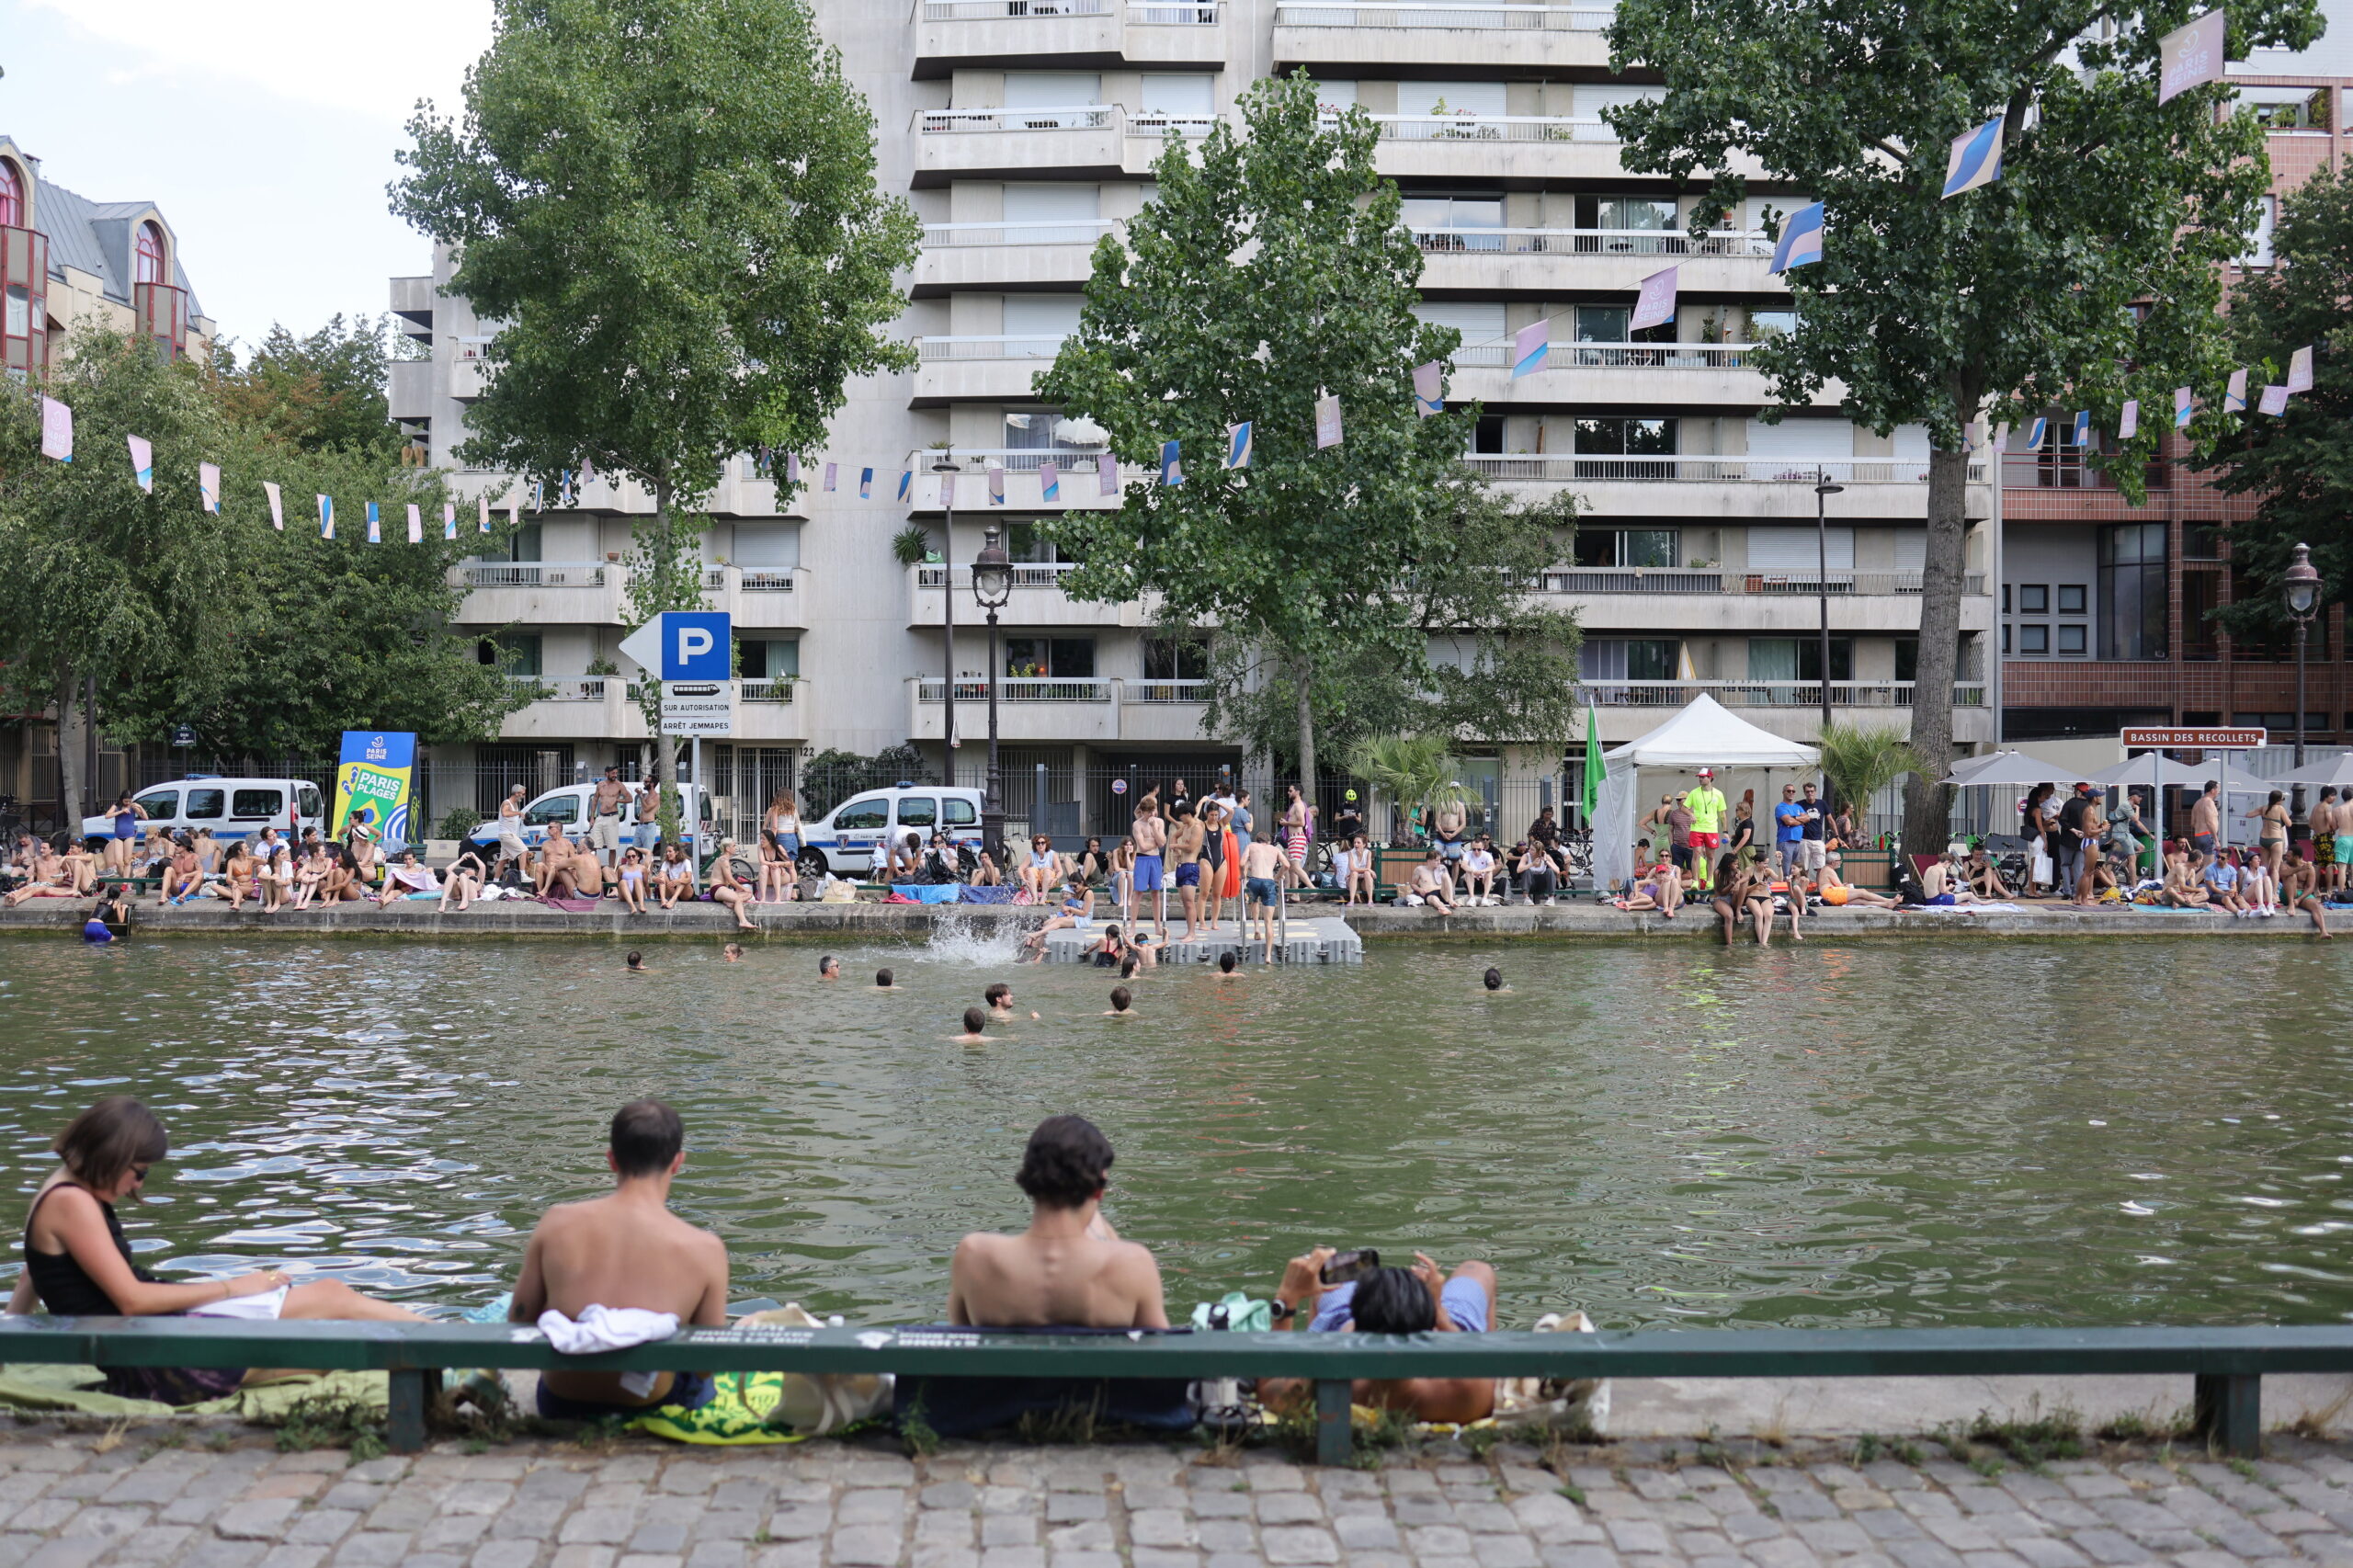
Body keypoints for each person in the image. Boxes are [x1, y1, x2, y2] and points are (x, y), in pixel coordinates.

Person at [7, 1097, 422, 1403]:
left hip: (149, 1345)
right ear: (112, 1157)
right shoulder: (72, 1202)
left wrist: (10, 1338)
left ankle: (447, 1351)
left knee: (335, 1327)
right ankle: (454, 1347)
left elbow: (34, 1272)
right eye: (140, 1172)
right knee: (332, 1302)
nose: (139, 1185)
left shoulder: (58, 1186)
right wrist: (236, 1287)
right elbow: (132, 1300)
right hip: (160, 1362)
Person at [509, 1100, 730, 1419]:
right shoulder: (705, 1248)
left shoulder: (556, 1222)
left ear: (612, 1159)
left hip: (562, 1402)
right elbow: (706, 1364)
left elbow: (519, 1321)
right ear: (677, 1162)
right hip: (652, 1403)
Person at [945, 1116, 1166, 1329]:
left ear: (1029, 1178)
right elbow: (1160, 1347)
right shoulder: (1132, 1264)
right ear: (1099, 1190)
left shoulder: (975, 1256)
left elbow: (958, 1338)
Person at [1259, 1250, 1500, 1424]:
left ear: (1357, 1327)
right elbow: (1482, 1363)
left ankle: (1323, 1338)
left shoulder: (1317, 1389)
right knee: (1479, 1269)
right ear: (1429, 1330)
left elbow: (1267, 1387)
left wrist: (1287, 1297)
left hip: (1345, 1334)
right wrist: (1441, 1317)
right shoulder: (1467, 1393)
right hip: (1447, 1329)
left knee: (1330, 1285)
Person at [1241, 833, 1290, 960]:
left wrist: (1242, 876)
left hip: (1254, 881)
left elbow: (1242, 863)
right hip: (1269, 882)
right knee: (1269, 922)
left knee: (1254, 902)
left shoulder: (1251, 846)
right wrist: (1278, 876)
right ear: (1268, 841)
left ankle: (1256, 927)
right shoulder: (1275, 849)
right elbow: (1287, 865)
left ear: (1257, 840)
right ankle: (1268, 956)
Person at [1019, 875, 1098, 955]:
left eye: (1075, 886)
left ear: (1081, 883)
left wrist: (1070, 908)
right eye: (1071, 886)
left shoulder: (1088, 893)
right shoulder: (1077, 890)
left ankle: (1036, 935)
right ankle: (1038, 944)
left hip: (1084, 919)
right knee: (1048, 922)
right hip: (1075, 916)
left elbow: (1084, 913)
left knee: (1059, 921)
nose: (1073, 888)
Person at [1130, 794, 1168, 939]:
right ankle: (1132, 927)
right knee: (1138, 893)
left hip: (1155, 859)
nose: (1151, 815)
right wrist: (1157, 842)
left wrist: (1154, 829)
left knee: (1156, 893)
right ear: (1142, 812)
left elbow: (1162, 843)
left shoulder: (1159, 822)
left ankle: (1157, 926)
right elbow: (1143, 846)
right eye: (1148, 812)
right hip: (1142, 859)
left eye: (1153, 811)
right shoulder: (1137, 824)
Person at [1169, 804, 1208, 940]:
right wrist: (1176, 852)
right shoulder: (1185, 827)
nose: (1180, 818)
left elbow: (1191, 848)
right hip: (1181, 866)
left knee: (1190, 901)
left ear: (1188, 814)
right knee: (1185, 903)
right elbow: (1174, 836)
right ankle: (1188, 931)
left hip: (1191, 867)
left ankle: (1192, 933)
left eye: (1181, 815)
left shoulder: (1197, 828)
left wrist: (1176, 846)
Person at [1685, 767, 1727, 891]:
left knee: (1710, 856)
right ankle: (1695, 881)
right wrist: (1690, 814)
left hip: (1711, 829)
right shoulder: (1694, 792)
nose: (1700, 779)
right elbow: (1684, 807)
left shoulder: (1718, 794)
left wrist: (1725, 832)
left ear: (1710, 778)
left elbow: (1723, 814)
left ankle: (1709, 881)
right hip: (1697, 828)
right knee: (1696, 854)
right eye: (1699, 777)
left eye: (1703, 777)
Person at [1817, 850, 1901, 908]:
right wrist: (1847, 886)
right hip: (1830, 894)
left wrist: (1844, 886)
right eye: (1839, 860)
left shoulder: (1825, 869)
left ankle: (1887, 904)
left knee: (1861, 901)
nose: (1841, 862)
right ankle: (1888, 900)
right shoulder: (1829, 870)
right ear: (1833, 862)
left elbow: (1837, 885)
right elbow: (1840, 886)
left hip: (1829, 896)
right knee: (1862, 891)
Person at [2279, 847, 2332, 937]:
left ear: (2296, 857)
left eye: (2288, 856)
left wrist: (2299, 899)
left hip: (2302, 895)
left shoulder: (2309, 868)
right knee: (2291, 876)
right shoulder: (2285, 864)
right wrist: (2299, 869)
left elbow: (2310, 887)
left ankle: (2323, 932)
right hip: (2287, 893)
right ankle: (2291, 904)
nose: (2286, 857)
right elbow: (2282, 873)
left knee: (2315, 906)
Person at [706, 844, 758, 931]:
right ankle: (743, 921)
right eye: (733, 846)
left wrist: (744, 890)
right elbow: (730, 880)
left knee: (749, 894)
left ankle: (728, 901)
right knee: (738, 898)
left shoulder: (725, 859)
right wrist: (743, 888)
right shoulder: (723, 860)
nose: (735, 848)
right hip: (717, 888)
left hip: (723, 889)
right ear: (728, 848)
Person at [2248, 790, 2292, 886]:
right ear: (2279, 800)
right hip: (2276, 839)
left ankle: (2262, 888)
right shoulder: (2280, 809)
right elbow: (2289, 824)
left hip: (2263, 839)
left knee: (2264, 867)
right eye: (2283, 799)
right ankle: (2274, 892)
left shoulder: (2263, 808)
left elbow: (2248, 815)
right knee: (2275, 868)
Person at [588, 766, 629, 869]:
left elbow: (630, 799)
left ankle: (611, 869)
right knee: (594, 845)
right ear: (607, 774)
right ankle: (593, 868)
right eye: (613, 773)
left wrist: (617, 800)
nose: (615, 775)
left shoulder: (619, 785)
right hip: (600, 816)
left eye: (616, 773)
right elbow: (595, 800)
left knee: (612, 846)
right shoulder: (600, 785)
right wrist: (592, 817)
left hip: (612, 817)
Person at [103, 793, 148, 879]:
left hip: (129, 835)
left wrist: (140, 807)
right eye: (126, 801)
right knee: (118, 861)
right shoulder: (116, 806)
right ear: (122, 800)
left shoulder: (133, 807)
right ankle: (127, 878)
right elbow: (107, 816)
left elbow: (145, 818)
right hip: (118, 836)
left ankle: (125, 881)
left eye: (129, 801)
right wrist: (121, 811)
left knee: (127, 860)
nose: (127, 803)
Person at [375, 850, 440, 906]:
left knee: (427, 874)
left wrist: (431, 868)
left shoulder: (419, 870)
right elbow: (392, 878)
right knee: (392, 891)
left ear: (414, 859)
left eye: (410, 859)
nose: (408, 861)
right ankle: (383, 901)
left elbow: (428, 877)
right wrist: (383, 893)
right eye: (406, 859)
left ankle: (383, 901)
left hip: (414, 892)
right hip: (401, 891)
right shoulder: (400, 871)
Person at [1793, 782, 1828, 886]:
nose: (1810, 793)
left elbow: (1830, 819)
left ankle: (1820, 890)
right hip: (1804, 839)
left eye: (1812, 791)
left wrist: (1837, 836)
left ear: (1815, 792)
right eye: (1807, 791)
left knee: (1821, 868)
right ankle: (1804, 890)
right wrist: (1800, 822)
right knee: (1804, 868)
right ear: (1804, 793)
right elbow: (1793, 818)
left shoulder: (1822, 803)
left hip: (1818, 840)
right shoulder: (1799, 804)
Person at [1770, 785, 1807, 881]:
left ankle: (1793, 889)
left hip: (1797, 842)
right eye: (1789, 791)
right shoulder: (1780, 807)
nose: (1791, 793)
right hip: (1786, 841)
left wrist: (1794, 819)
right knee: (1786, 872)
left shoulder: (1798, 806)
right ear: (1783, 792)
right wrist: (1800, 822)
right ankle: (1785, 889)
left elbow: (1807, 818)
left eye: (1793, 791)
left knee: (1796, 872)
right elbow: (1788, 821)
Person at [1404, 847, 1456, 914]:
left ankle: (1451, 900)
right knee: (1434, 898)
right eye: (1436, 860)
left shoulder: (1442, 868)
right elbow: (1413, 884)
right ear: (1429, 861)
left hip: (1442, 892)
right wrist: (1420, 890)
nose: (1439, 862)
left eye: (1439, 860)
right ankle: (1443, 908)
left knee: (1445, 875)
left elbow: (1447, 881)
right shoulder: (1420, 869)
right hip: (1429, 894)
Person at [492, 785, 530, 873]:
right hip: (507, 834)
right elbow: (505, 813)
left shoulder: (515, 804)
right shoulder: (507, 803)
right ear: (517, 793)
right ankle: (523, 875)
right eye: (523, 794)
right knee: (524, 850)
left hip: (507, 835)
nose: (524, 796)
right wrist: (518, 813)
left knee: (503, 860)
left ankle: (495, 880)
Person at [2313, 788, 2344, 897]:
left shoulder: (2316, 807)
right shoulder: (2327, 806)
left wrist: (2319, 827)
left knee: (2318, 864)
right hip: (2326, 838)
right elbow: (2331, 822)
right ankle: (2329, 890)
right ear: (2326, 796)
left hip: (2317, 837)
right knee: (2329, 864)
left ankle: (2316, 889)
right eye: (2332, 795)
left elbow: (2310, 823)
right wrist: (2336, 827)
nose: (2334, 798)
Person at [1515, 839, 1560, 906]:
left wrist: (1546, 861)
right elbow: (1518, 870)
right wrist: (1532, 864)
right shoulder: (1526, 856)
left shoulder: (1546, 857)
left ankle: (1551, 898)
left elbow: (1557, 871)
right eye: (1530, 848)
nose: (1529, 851)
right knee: (1526, 871)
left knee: (1550, 871)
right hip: (1530, 884)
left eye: (1532, 850)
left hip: (1542, 884)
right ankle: (1526, 898)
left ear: (1539, 852)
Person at [2206, 847, 2249, 914]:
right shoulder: (2210, 869)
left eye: (2222, 858)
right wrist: (2225, 893)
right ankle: (2238, 912)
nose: (2219, 859)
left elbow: (2233, 885)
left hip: (2227, 892)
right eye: (2218, 856)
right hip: (2214, 894)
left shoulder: (2232, 870)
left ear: (2228, 860)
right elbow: (2212, 887)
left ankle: (2251, 912)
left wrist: (2233, 891)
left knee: (2240, 898)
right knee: (2227, 898)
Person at [757, 830, 797, 903]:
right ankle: (763, 897)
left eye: (763, 839)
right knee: (763, 867)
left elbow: (789, 863)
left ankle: (778, 897)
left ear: (770, 840)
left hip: (782, 876)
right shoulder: (760, 847)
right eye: (760, 838)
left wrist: (779, 864)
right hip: (769, 877)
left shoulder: (778, 847)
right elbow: (762, 861)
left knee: (774, 869)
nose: (761, 841)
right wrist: (773, 864)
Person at [654, 842, 696, 909]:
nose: (667, 853)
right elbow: (660, 876)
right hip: (673, 890)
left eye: (670, 851)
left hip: (686, 891)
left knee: (683, 874)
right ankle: (663, 900)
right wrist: (654, 879)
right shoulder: (666, 862)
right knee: (662, 875)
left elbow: (689, 880)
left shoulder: (686, 862)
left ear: (676, 852)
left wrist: (678, 881)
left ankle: (673, 899)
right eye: (667, 852)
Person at [1461, 836, 1498, 905]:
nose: (1476, 852)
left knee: (1489, 873)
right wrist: (1473, 871)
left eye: (1479, 849)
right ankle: (1472, 898)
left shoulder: (1487, 855)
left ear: (1483, 847)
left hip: (1483, 881)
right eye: (1474, 849)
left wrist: (1482, 871)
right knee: (1468, 872)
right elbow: (1463, 865)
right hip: (1471, 881)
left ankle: (1485, 898)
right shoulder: (1468, 854)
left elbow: (1492, 866)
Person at [2189, 780, 2221, 862]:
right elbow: (2209, 822)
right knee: (2209, 865)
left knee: (2201, 863)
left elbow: (2192, 823)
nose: (2219, 792)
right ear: (2213, 790)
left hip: (2198, 835)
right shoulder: (2209, 802)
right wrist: (2216, 840)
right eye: (2218, 789)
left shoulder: (2197, 803)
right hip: (2207, 836)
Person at [613, 846, 650, 915]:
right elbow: (619, 883)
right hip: (625, 895)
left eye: (633, 856)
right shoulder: (621, 868)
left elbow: (646, 884)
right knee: (623, 881)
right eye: (629, 856)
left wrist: (649, 898)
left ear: (637, 857)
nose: (631, 858)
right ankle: (632, 907)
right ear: (626, 858)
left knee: (637, 879)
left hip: (637, 894)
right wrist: (618, 896)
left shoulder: (642, 868)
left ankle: (641, 905)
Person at [634, 773, 665, 854]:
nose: (644, 783)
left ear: (652, 784)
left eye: (646, 781)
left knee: (647, 852)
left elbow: (647, 809)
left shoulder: (656, 796)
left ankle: (649, 863)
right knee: (635, 850)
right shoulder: (646, 795)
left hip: (648, 826)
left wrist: (640, 795)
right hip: (640, 825)